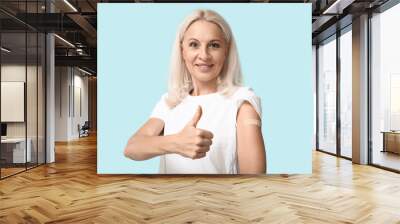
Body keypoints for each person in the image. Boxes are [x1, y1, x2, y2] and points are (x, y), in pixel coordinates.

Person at [124, 9, 266, 174]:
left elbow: (253, 181)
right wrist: (176, 143)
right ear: (182, 51)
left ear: (226, 51)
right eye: (194, 44)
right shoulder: (170, 101)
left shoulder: (242, 102)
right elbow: (132, 148)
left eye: (214, 45)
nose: (204, 55)